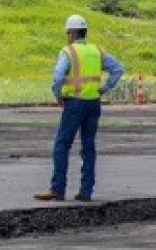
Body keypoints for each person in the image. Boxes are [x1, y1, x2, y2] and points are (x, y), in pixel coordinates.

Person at [35, 14, 125, 202]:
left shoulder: (69, 52)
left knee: (62, 145)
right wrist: (105, 88)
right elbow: (118, 68)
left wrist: (57, 93)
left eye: (67, 32)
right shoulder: (97, 51)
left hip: (74, 103)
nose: (67, 36)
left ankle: (57, 189)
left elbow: (59, 75)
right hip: (93, 104)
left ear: (72, 32)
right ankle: (86, 192)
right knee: (88, 147)